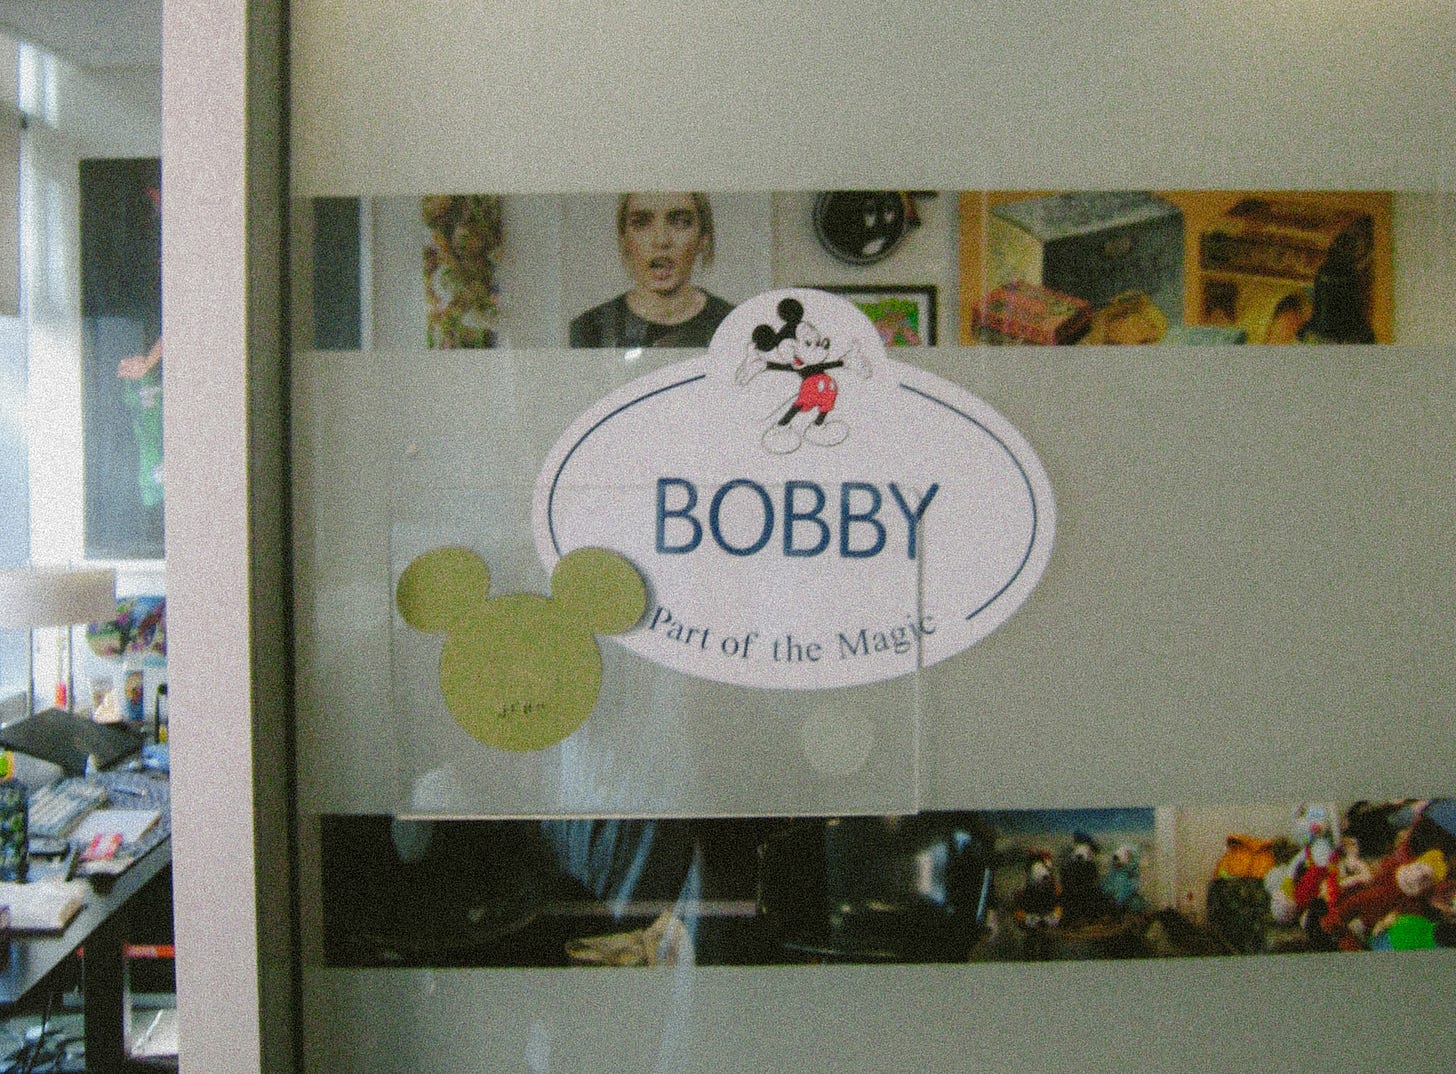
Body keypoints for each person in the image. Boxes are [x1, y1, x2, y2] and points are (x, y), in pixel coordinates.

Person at [569, 192, 733, 349]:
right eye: (641, 223)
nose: (661, 240)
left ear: (703, 237)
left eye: (680, 222)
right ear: (624, 239)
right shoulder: (588, 331)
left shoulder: (734, 324)